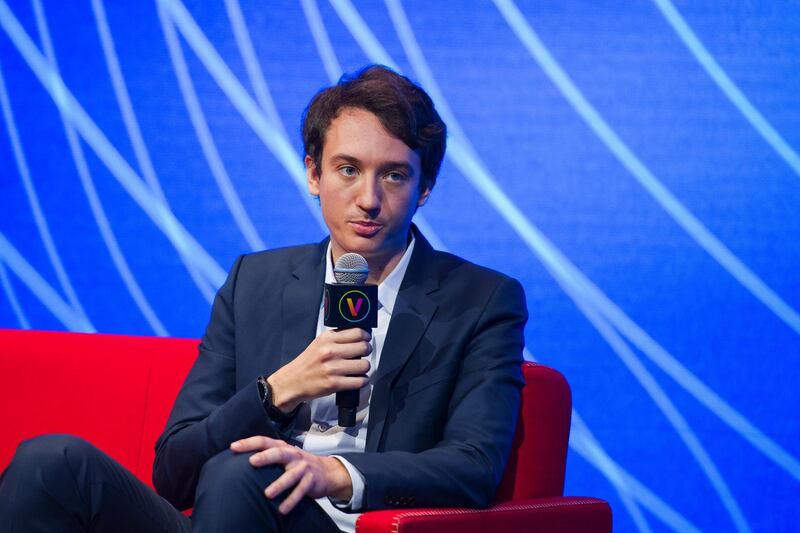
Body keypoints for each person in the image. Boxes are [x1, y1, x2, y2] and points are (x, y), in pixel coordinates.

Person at [0, 65, 527, 532]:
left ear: (424, 189)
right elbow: (174, 472)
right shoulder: (254, 280)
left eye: (393, 175)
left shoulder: (480, 300)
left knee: (243, 474)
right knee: (51, 463)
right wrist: (277, 391)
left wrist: (334, 473)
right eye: (348, 169)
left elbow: (472, 465)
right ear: (313, 174)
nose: (368, 199)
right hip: (223, 513)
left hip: (353, 523)